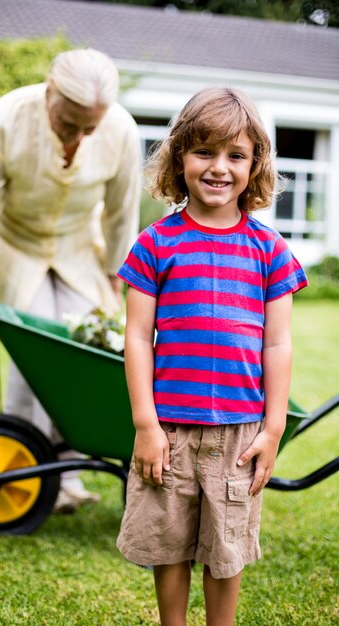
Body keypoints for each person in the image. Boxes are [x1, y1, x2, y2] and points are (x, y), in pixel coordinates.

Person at [116, 86, 308, 626]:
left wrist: (273, 429)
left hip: (239, 433)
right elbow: (135, 337)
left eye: (236, 155)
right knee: (169, 540)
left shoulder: (270, 250)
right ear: (179, 157)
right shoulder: (154, 244)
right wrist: (146, 425)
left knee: (227, 549)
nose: (219, 167)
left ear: (255, 165)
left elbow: (277, 343)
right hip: (170, 430)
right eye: (204, 151)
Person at [0, 48, 142, 513]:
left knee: (86, 357)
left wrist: (116, 283)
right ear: (49, 92)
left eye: (89, 128)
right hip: (15, 247)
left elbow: (123, 216)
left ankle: (67, 478)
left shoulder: (121, 130)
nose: (78, 136)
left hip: (82, 251)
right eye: (68, 123)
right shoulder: (3, 118)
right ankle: (25, 475)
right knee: (34, 358)